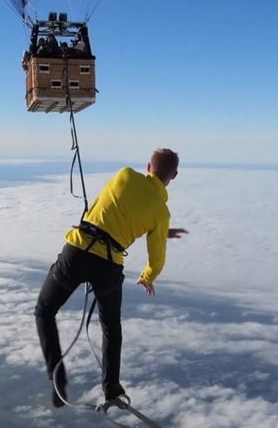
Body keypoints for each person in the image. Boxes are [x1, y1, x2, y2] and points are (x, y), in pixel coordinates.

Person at [35, 149, 187, 408]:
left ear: (148, 166)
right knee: (110, 328)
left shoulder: (125, 175)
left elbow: (112, 209)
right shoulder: (161, 213)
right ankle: (112, 389)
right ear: (174, 175)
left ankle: (57, 378)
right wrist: (148, 276)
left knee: (45, 310)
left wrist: (160, 230)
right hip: (108, 266)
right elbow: (156, 252)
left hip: (78, 253)